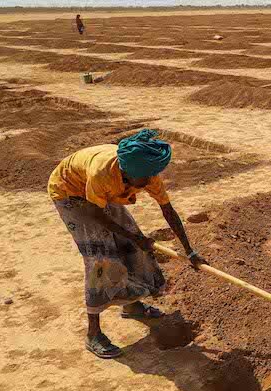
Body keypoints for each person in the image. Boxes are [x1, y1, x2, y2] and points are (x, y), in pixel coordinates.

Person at [48, 129, 206, 359]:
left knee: (132, 247)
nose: (146, 184)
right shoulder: (103, 172)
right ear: (126, 173)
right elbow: (96, 214)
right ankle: (93, 335)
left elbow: (168, 211)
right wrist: (136, 239)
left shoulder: (146, 174)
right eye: (141, 180)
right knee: (101, 258)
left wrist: (190, 250)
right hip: (70, 192)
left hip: (100, 194)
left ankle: (131, 306)